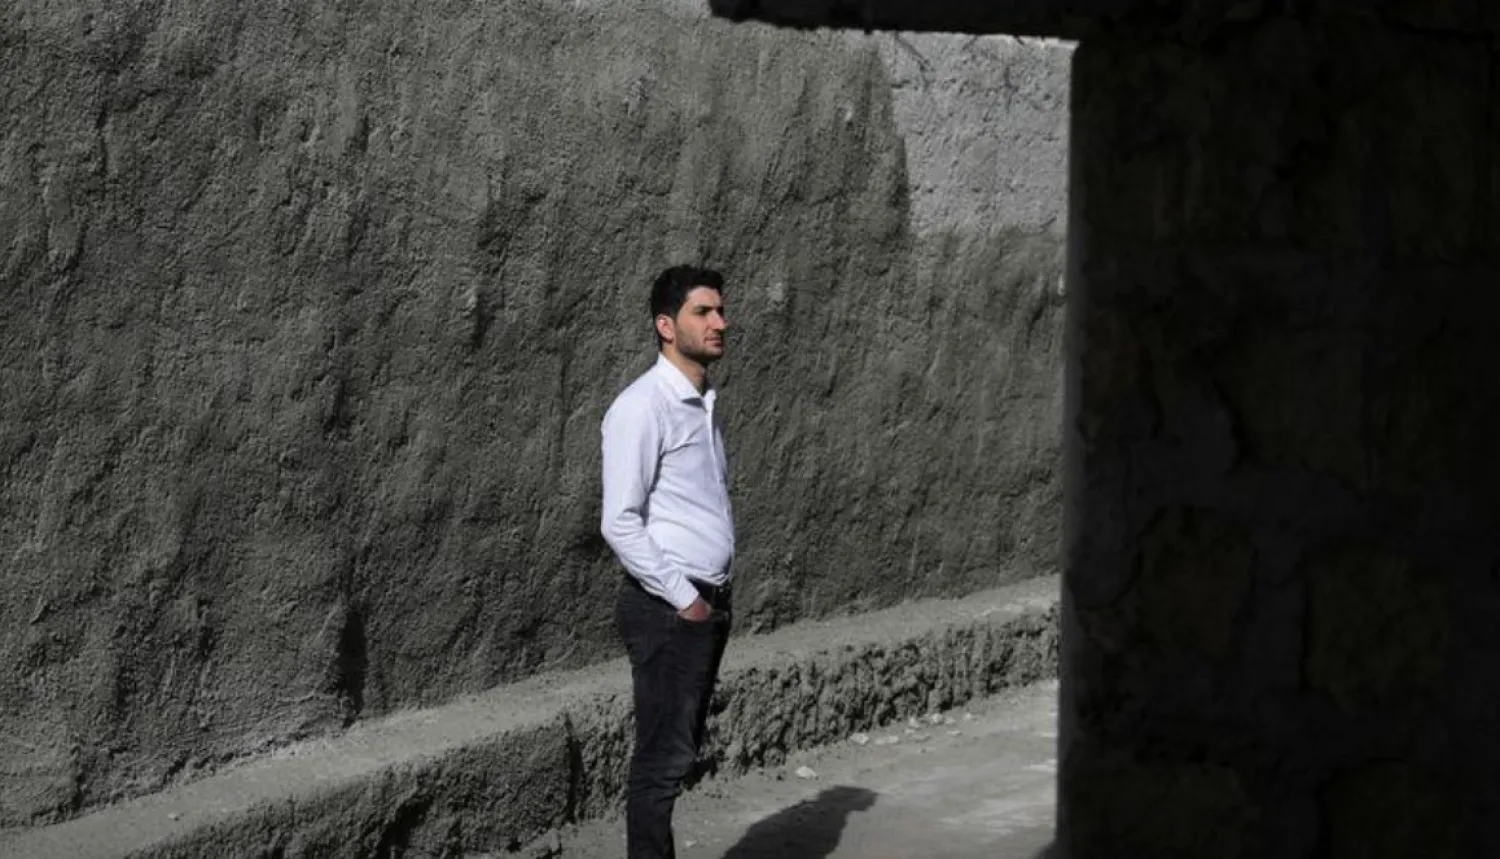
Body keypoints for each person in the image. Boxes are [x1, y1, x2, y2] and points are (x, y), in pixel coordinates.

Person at [600, 265, 735, 859]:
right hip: (668, 609)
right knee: (660, 762)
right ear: (664, 325)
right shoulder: (642, 406)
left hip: (701, 604)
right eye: (702, 313)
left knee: (676, 756)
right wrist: (687, 599)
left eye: (720, 311)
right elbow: (619, 521)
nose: (719, 323)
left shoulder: (701, 402)